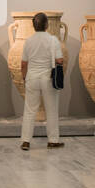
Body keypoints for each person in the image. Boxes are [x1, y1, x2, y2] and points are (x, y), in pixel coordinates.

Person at [19, 11, 64, 151]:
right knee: (51, 110)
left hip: (32, 77)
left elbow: (23, 64)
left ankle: (26, 141)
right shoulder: (53, 40)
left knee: (30, 110)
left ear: (33, 26)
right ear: (46, 24)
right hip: (48, 78)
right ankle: (53, 141)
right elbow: (59, 60)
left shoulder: (28, 41)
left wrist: (24, 77)